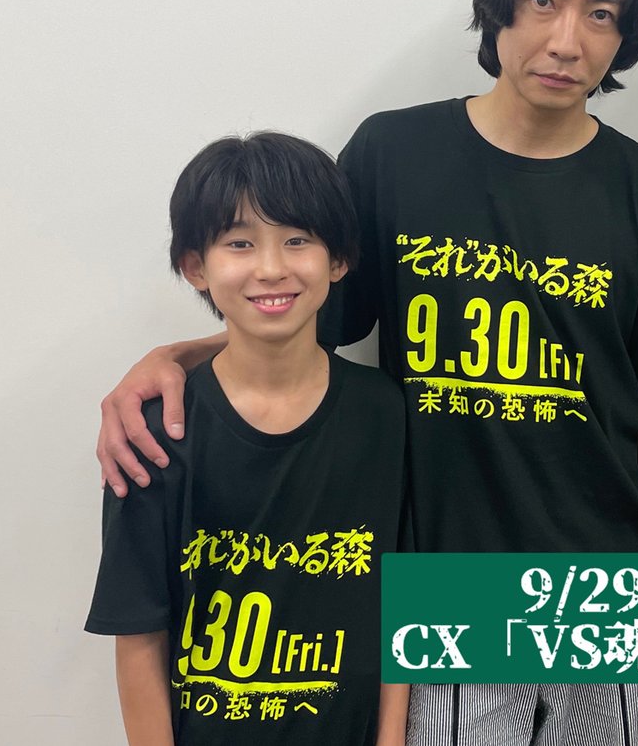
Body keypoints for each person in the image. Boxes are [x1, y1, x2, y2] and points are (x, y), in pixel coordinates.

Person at [96, 0, 638, 746]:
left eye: (601, 15)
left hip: (601, 602)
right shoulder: (392, 155)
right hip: (440, 599)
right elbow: (299, 311)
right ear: (498, 2)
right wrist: (177, 357)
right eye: (542, 1)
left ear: (627, 34)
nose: (566, 40)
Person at [86, 133, 406, 744]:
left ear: (339, 261)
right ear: (195, 267)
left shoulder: (384, 413)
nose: (270, 267)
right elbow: (139, 632)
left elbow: (401, 604)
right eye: (239, 243)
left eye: (297, 240)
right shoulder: (152, 431)